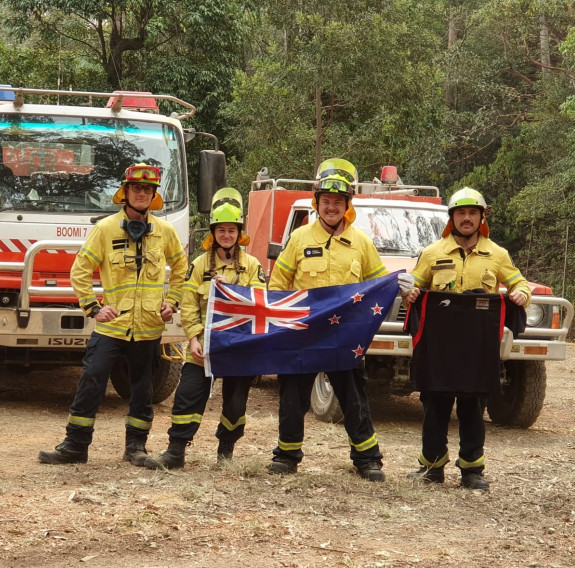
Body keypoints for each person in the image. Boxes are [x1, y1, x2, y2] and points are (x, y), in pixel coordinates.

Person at [38, 163, 187, 466]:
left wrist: (172, 301)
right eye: (136, 188)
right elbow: (79, 270)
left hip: (148, 329)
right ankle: (75, 446)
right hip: (111, 328)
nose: (142, 193)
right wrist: (93, 307)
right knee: (92, 379)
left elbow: (183, 269)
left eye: (148, 189)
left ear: (153, 195)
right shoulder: (105, 229)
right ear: (126, 193)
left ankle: (136, 448)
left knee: (142, 390)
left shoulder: (165, 232)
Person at [267, 158, 391, 482]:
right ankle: (286, 456)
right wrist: (281, 324)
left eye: (338, 201)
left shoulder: (361, 243)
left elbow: (378, 286)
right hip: (303, 335)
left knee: (353, 399)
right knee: (293, 398)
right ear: (317, 202)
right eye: (326, 201)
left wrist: (398, 285)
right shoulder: (299, 239)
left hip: (344, 338)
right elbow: (277, 285)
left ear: (347, 205)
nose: (332, 207)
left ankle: (367, 460)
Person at [404, 187, 531, 490]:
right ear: (452, 218)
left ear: (481, 217)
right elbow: (413, 283)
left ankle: (472, 470)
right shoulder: (433, 253)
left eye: (473, 213)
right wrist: (408, 290)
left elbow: (520, 283)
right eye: (461, 213)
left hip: (478, 347)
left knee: (473, 407)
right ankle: (431, 468)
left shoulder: (497, 254)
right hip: (439, 346)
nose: (466, 218)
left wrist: (520, 293)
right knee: (435, 403)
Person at [144, 187, 266, 469]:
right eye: (221, 230)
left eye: (231, 230)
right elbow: (187, 305)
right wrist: (194, 338)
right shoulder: (199, 265)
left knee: (235, 405)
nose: (226, 235)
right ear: (213, 233)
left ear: (239, 233)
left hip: (239, 348)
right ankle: (175, 452)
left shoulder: (253, 266)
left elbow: (259, 304)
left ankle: (226, 452)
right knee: (187, 396)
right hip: (203, 347)